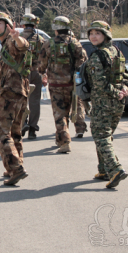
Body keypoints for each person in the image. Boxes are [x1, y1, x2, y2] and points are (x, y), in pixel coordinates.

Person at [0, 12, 31, 186]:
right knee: (15, 133)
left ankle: (15, 169)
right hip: (20, 91)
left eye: (0, 23)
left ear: (8, 26)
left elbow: (23, 46)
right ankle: (15, 164)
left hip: (10, 93)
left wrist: (17, 37)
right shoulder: (5, 44)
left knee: (0, 132)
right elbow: (15, 63)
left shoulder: (12, 40)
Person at [86, 21, 128, 188]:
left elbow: (99, 83)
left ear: (105, 35)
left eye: (97, 33)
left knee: (101, 136)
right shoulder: (117, 52)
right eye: (91, 33)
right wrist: (124, 90)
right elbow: (126, 77)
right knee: (105, 135)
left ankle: (115, 169)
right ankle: (103, 170)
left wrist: (116, 92)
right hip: (118, 104)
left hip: (103, 103)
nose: (93, 37)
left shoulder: (98, 56)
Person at [38, 16, 87, 153]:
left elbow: (41, 63)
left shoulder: (48, 43)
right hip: (72, 84)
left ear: (55, 29)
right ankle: (65, 135)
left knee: (59, 113)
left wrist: (43, 73)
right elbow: (83, 61)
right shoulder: (75, 43)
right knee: (74, 108)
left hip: (55, 85)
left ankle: (64, 141)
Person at [19, 14, 45, 140]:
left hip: (22, 73)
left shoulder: (18, 38)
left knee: (21, 99)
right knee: (35, 101)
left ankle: (23, 123)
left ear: (23, 25)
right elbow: (45, 58)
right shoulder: (41, 39)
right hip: (37, 72)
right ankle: (33, 129)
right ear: (35, 25)